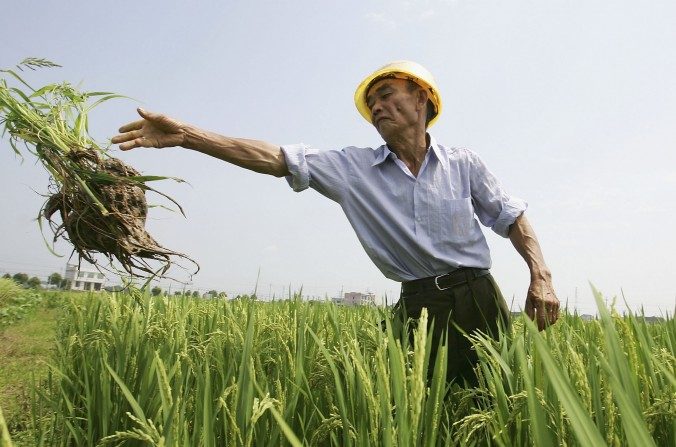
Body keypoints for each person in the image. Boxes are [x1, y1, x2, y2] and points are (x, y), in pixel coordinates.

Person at [112, 61, 559, 385]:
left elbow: (511, 215)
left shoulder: (463, 163)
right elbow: (274, 158)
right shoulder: (353, 169)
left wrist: (540, 275)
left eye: (386, 94)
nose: (377, 107)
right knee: (417, 409)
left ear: (421, 97)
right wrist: (189, 137)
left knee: (497, 396)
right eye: (371, 103)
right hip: (417, 304)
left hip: (477, 296)